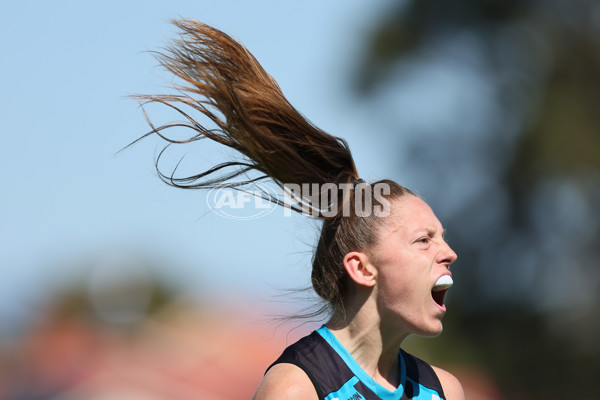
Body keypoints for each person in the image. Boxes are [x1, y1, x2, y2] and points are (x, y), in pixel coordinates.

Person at [133, 19, 465, 400]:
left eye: (441, 237)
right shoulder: (296, 389)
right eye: (423, 240)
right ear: (361, 268)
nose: (449, 252)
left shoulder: (444, 390)